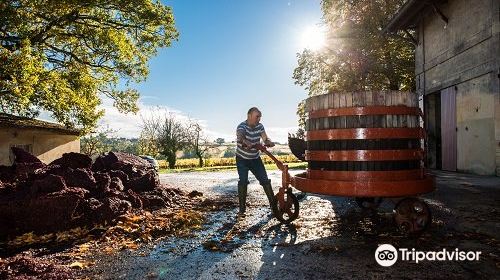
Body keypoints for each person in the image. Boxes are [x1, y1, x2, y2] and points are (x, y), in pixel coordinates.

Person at [236, 107, 276, 217]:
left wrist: (268, 142)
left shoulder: (260, 126)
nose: (259, 119)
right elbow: (240, 136)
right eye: (257, 117)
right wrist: (245, 141)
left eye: (260, 117)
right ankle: (242, 210)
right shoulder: (242, 126)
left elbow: (265, 137)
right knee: (243, 181)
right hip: (242, 159)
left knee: (265, 180)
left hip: (255, 158)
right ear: (249, 116)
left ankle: (274, 206)